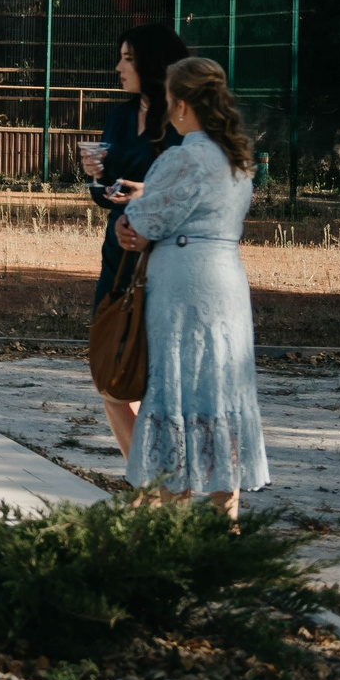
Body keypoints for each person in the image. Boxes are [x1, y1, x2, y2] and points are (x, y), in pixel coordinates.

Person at [113, 56, 268, 518]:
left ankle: (172, 518)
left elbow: (143, 223)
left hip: (183, 287)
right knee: (221, 387)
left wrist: (131, 218)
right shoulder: (237, 157)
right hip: (226, 281)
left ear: (181, 104)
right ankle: (227, 520)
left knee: (175, 385)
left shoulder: (181, 157)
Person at [78, 21, 192, 458]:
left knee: (150, 372)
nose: (118, 67)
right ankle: (145, 472)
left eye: (128, 58)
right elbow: (108, 193)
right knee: (110, 373)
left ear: (152, 63)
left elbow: (187, 189)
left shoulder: (182, 121)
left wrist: (141, 196)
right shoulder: (121, 115)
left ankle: (155, 480)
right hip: (119, 255)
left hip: (161, 258)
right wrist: (95, 177)